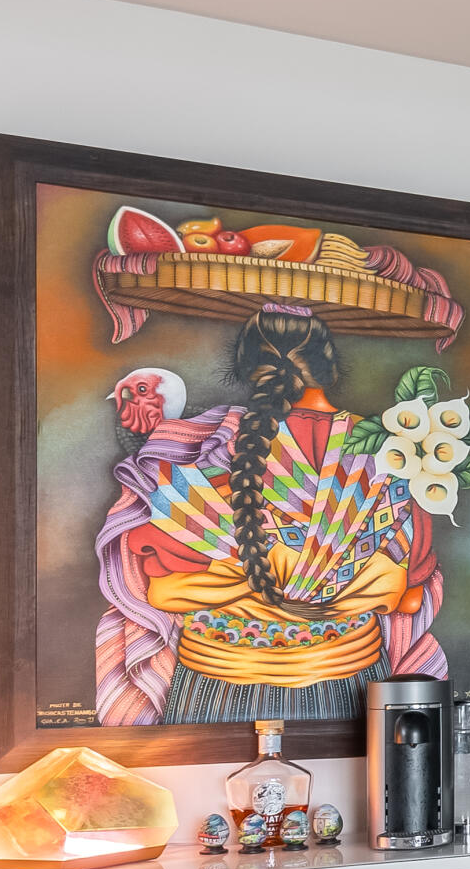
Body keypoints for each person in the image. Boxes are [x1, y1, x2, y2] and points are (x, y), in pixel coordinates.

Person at [92, 303, 446, 725]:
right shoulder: (392, 454)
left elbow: (160, 591)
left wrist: (252, 583)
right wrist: (330, 585)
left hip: (216, 693)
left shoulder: (195, 448)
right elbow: (406, 597)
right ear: (328, 365)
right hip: (352, 693)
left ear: (248, 371)